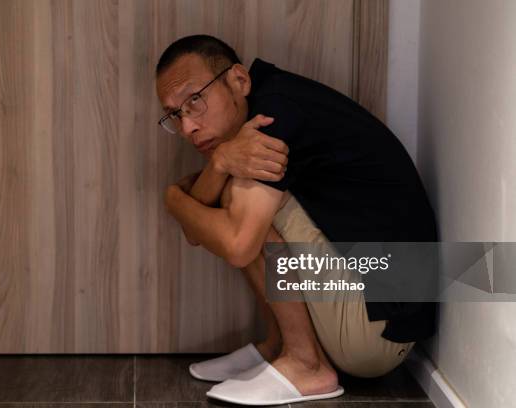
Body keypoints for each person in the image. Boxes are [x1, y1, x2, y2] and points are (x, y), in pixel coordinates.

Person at [156, 34, 437, 406]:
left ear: (239, 80)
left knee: (238, 208)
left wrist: (173, 199)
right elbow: (201, 231)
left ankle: (306, 364)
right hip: (381, 316)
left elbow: (237, 246)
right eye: (175, 114)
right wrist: (220, 162)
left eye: (195, 100)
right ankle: (280, 347)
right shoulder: (268, 105)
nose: (188, 127)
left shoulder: (273, 119)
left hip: (379, 333)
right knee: (233, 202)